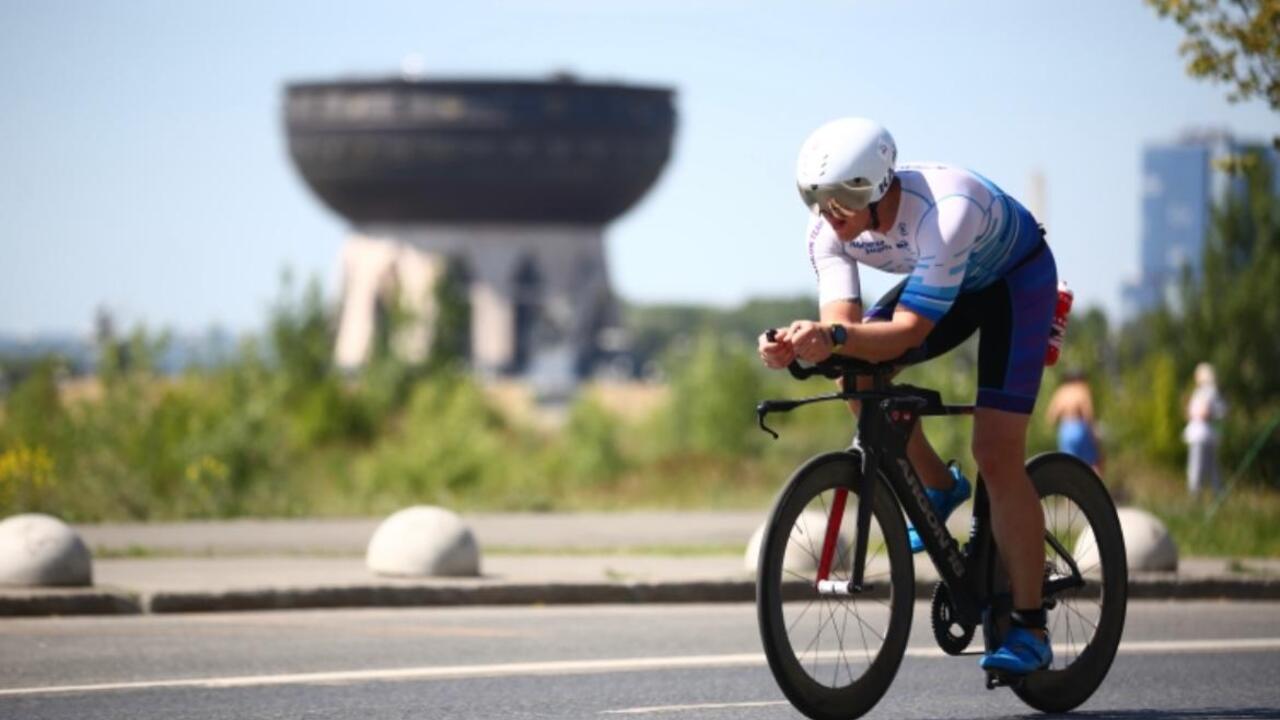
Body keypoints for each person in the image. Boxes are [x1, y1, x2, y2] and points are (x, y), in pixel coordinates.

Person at [758, 117, 1057, 675]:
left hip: (1013, 285)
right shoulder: (825, 230)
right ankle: (938, 487)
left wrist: (836, 339)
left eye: (841, 201)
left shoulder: (945, 212)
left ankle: (1031, 626)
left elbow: (909, 333)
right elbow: (844, 332)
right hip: (949, 282)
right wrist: (804, 345)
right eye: (818, 202)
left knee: (996, 452)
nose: (829, 216)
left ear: (874, 189)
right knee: (854, 375)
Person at [1046, 369, 1103, 474]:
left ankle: (1070, 489)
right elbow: (1088, 414)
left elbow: (1051, 417)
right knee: (1092, 463)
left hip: (1065, 430)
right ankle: (1094, 489)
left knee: (1069, 465)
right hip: (1079, 427)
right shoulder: (1082, 389)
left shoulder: (1061, 391)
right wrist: (1094, 434)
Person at [1183, 362, 1227, 496]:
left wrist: (1206, 413)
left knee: (1198, 467)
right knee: (1210, 467)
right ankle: (1216, 492)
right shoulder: (1202, 391)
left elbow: (1208, 412)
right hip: (1204, 435)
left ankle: (1196, 494)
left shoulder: (1208, 391)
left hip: (1202, 435)